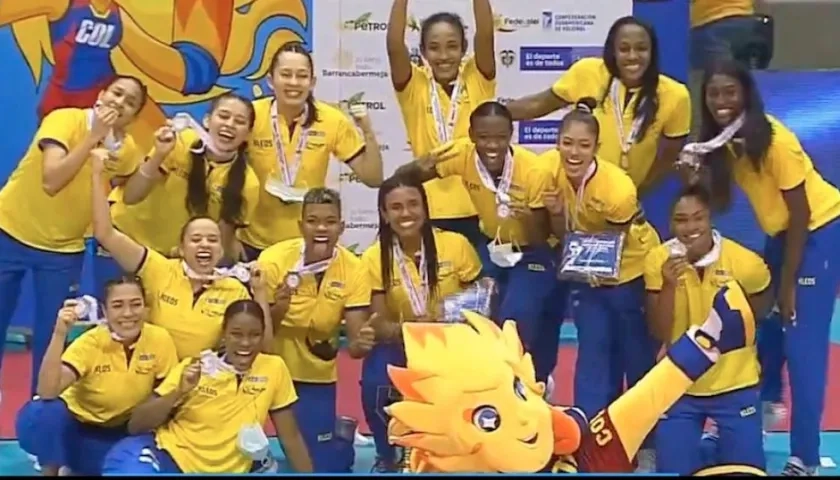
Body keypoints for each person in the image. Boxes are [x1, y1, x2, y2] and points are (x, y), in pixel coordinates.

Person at [385, 284, 766, 475]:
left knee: (619, 424)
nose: (522, 414)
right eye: (488, 417)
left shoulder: (555, 441)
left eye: (519, 391)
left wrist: (561, 422)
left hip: (559, 463)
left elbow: (569, 426)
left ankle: (708, 340)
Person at [696, 60, 840, 476]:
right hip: (781, 236)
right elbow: (720, 201)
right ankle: (755, 418)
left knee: (803, 346)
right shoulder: (725, 140)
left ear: (746, 95)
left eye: (730, 92)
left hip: (817, 230)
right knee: (764, 330)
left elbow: (801, 213)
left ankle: (805, 458)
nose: (721, 101)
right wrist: (698, 173)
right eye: (713, 94)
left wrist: (789, 284)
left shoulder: (774, 139)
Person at [394, 101, 560, 384]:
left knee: (515, 317)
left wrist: (528, 218)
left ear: (511, 135)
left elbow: (540, 237)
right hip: (494, 246)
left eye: (500, 137)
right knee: (469, 309)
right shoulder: (461, 154)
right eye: (484, 138)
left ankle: (526, 381)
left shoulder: (534, 171)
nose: (492, 146)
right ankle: (477, 379)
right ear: (471, 135)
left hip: (535, 252)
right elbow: (405, 176)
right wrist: (414, 169)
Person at [0, 76, 146, 392]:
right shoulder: (65, 119)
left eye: (130, 102)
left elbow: (131, 188)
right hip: (9, 230)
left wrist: (158, 157)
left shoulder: (127, 149)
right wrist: (93, 137)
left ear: (134, 118)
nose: (120, 102)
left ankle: (41, 409)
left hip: (63, 249)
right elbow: (52, 181)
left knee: (53, 333)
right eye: (117, 94)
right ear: (101, 94)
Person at [541, 98, 661, 470]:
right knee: (593, 358)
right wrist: (557, 215)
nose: (573, 152)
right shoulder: (549, 172)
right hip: (588, 273)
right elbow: (563, 237)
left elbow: (615, 242)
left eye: (583, 145)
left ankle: (645, 441)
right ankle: (591, 442)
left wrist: (592, 265)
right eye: (567, 143)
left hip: (630, 272)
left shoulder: (617, 189)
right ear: (557, 142)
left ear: (595, 148)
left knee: (636, 359)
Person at [357, 173, 484, 472]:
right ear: (385, 215)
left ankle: (463, 449)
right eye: (397, 207)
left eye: (413, 204)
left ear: (426, 209)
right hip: (401, 343)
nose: (406, 213)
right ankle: (389, 455)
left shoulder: (455, 244)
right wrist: (416, 326)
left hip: (453, 343)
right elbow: (379, 323)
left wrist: (450, 315)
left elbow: (482, 296)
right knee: (376, 383)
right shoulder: (374, 258)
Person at [644, 184, 772, 475]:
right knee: (674, 471)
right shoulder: (657, 261)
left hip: (735, 386)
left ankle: (716, 444)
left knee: (746, 472)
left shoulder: (745, 263)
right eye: (681, 219)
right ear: (670, 223)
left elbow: (763, 307)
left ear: (710, 218)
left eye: (697, 217)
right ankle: (708, 447)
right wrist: (668, 285)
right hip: (679, 386)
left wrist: (737, 326)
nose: (690, 227)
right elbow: (658, 330)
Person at [101, 300, 314, 474]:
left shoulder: (274, 368)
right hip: (171, 459)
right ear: (224, 334)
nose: (245, 343)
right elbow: (136, 425)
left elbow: (290, 437)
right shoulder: (195, 366)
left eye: (254, 335)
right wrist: (180, 391)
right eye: (236, 334)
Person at [90, 149, 266, 359]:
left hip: (200, 379)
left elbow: (259, 346)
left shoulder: (235, 290)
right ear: (181, 249)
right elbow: (105, 234)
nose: (204, 245)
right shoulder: (158, 269)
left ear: (220, 251)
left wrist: (261, 293)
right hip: (151, 370)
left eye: (212, 240)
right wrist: (96, 176)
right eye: (195, 239)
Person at [506, 16, 690, 200]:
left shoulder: (675, 95)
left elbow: (668, 155)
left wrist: (637, 191)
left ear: (652, 52)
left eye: (641, 48)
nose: (633, 56)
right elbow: (539, 104)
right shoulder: (588, 72)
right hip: (572, 192)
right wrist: (491, 115)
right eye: (624, 49)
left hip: (622, 198)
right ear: (613, 51)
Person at [16, 277, 178, 476]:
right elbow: (47, 391)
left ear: (146, 308)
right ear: (104, 310)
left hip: (125, 432)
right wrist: (60, 333)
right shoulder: (89, 343)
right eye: (117, 306)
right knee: (43, 411)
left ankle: (77, 466)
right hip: (78, 428)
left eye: (136, 304)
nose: (128, 314)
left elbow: (165, 395)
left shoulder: (160, 339)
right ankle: (51, 470)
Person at [257, 187, 370, 473]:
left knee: (322, 464)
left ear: (342, 227)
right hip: (266, 369)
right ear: (300, 225)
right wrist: (280, 307)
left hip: (315, 375)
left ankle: (342, 438)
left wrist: (363, 342)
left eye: (330, 222)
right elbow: (256, 335)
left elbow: (355, 347)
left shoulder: (354, 269)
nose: (321, 228)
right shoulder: (272, 262)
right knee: (241, 452)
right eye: (313, 221)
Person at [236, 42, 384, 260]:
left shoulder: (332, 120)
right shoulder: (251, 115)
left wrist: (368, 132)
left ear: (312, 82)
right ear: (270, 80)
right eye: (286, 74)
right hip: (253, 243)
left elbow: (373, 178)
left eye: (302, 76)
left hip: (307, 245)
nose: (294, 83)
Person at [103, 93, 261, 290]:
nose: (229, 124)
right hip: (124, 237)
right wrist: (159, 154)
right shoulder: (180, 141)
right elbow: (131, 196)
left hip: (169, 261)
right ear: (207, 120)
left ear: (247, 134)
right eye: (223, 116)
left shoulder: (248, 183)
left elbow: (221, 241)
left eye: (239, 121)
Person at [386, 0, 497, 249]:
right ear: (423, 52)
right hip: (427, 209)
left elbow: (486, 33)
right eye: (434, 48)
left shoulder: (477, 77)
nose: (444, 56)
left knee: (480, 285)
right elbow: (394, 46)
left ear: (464, 49)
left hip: (477, 208)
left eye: (452, 47)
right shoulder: (413, 85)